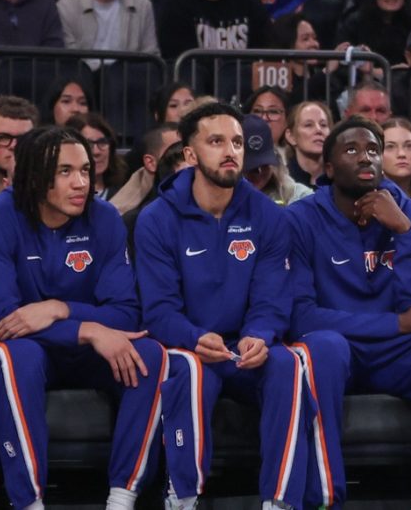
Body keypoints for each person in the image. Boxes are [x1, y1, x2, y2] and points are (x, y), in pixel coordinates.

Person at [133, 102, 316, 510]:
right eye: (216, 141)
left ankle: (281, 502)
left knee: (289, 363)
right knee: (188, 370)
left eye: (236, 142)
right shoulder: (157, 218)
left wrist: (260, 335)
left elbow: (272, 297)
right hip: (190, 345)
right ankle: (183, 498)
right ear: (190, 154)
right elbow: (158, 310)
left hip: (245, 347)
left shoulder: (269, 216)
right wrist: (194, 337)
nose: (231, 151)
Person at [287, 117, 411, 508]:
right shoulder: (300, 219)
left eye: (374, 150)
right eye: (352, 150)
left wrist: (404, 233)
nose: (365, 158)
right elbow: (302, 317)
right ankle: (324, 497)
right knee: (319, 348)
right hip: (340, 351)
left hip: (395, 352)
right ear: (328, 168)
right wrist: (394, 323)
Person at [0, 126, 165, 510]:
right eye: (65, 172)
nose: (81, 183)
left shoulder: (105, 217)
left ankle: (122, 497)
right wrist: (89, 328)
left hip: (87, 348)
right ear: (33, 176)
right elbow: (1, 319)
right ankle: (28, 501)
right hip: (34, 349)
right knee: (16, 357)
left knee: (151, 355)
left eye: (85, 170)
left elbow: (126, 312)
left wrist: (61, 310)